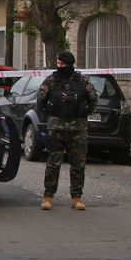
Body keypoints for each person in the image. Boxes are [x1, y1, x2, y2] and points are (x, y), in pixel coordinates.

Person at [37, 51, 98, 211]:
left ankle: (77, 197)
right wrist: (49, 116)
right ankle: (48, 196)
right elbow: (41, 100)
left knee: (78, 164)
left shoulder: (81, 81)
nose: (59, 67)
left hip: (78, 129)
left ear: (69, 65)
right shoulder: (51, 80)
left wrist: (83, 113)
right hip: (56, 128)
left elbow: (93, 99)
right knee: (53, 164)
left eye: (61, 64)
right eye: (57, 64)